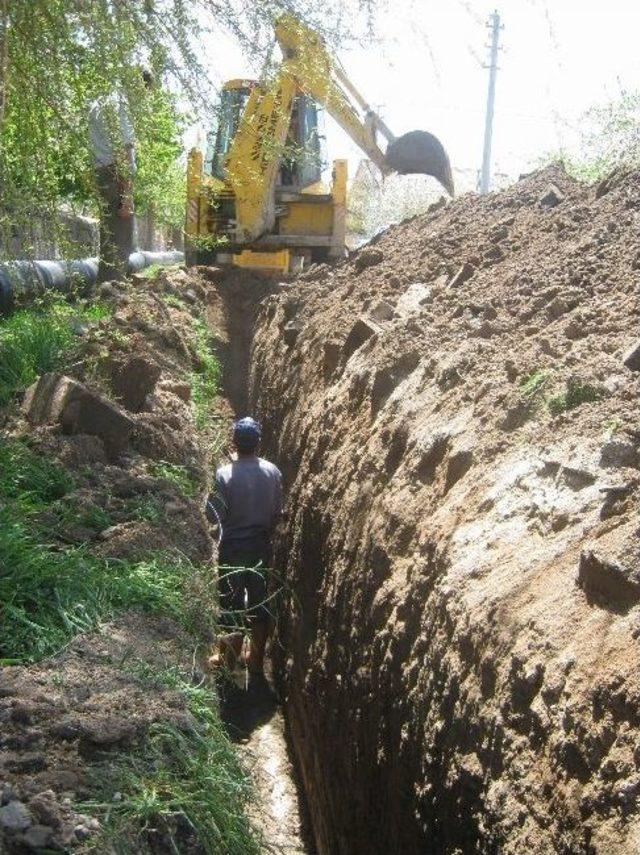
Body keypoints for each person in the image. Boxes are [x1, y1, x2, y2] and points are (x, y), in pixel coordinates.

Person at [206, 417, 283, 674]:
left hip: (232, 549)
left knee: (231, 605)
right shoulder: (273, 472)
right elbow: (276, 513)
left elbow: (212, 514)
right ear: (258, 443)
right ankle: (256, 663)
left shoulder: (224, 474)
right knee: (259, 604)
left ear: (234, 442)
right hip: (261, 547)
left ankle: (229, 661)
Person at [88, 71, 152, 282]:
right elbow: (123, 153)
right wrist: (126, 197)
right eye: (145, 93)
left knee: (108, 238)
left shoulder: (100, 102)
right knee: (121, 239)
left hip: (101, 173)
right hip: (116, 177)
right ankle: (111, 293)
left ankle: (103, 290)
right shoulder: (121, 106)